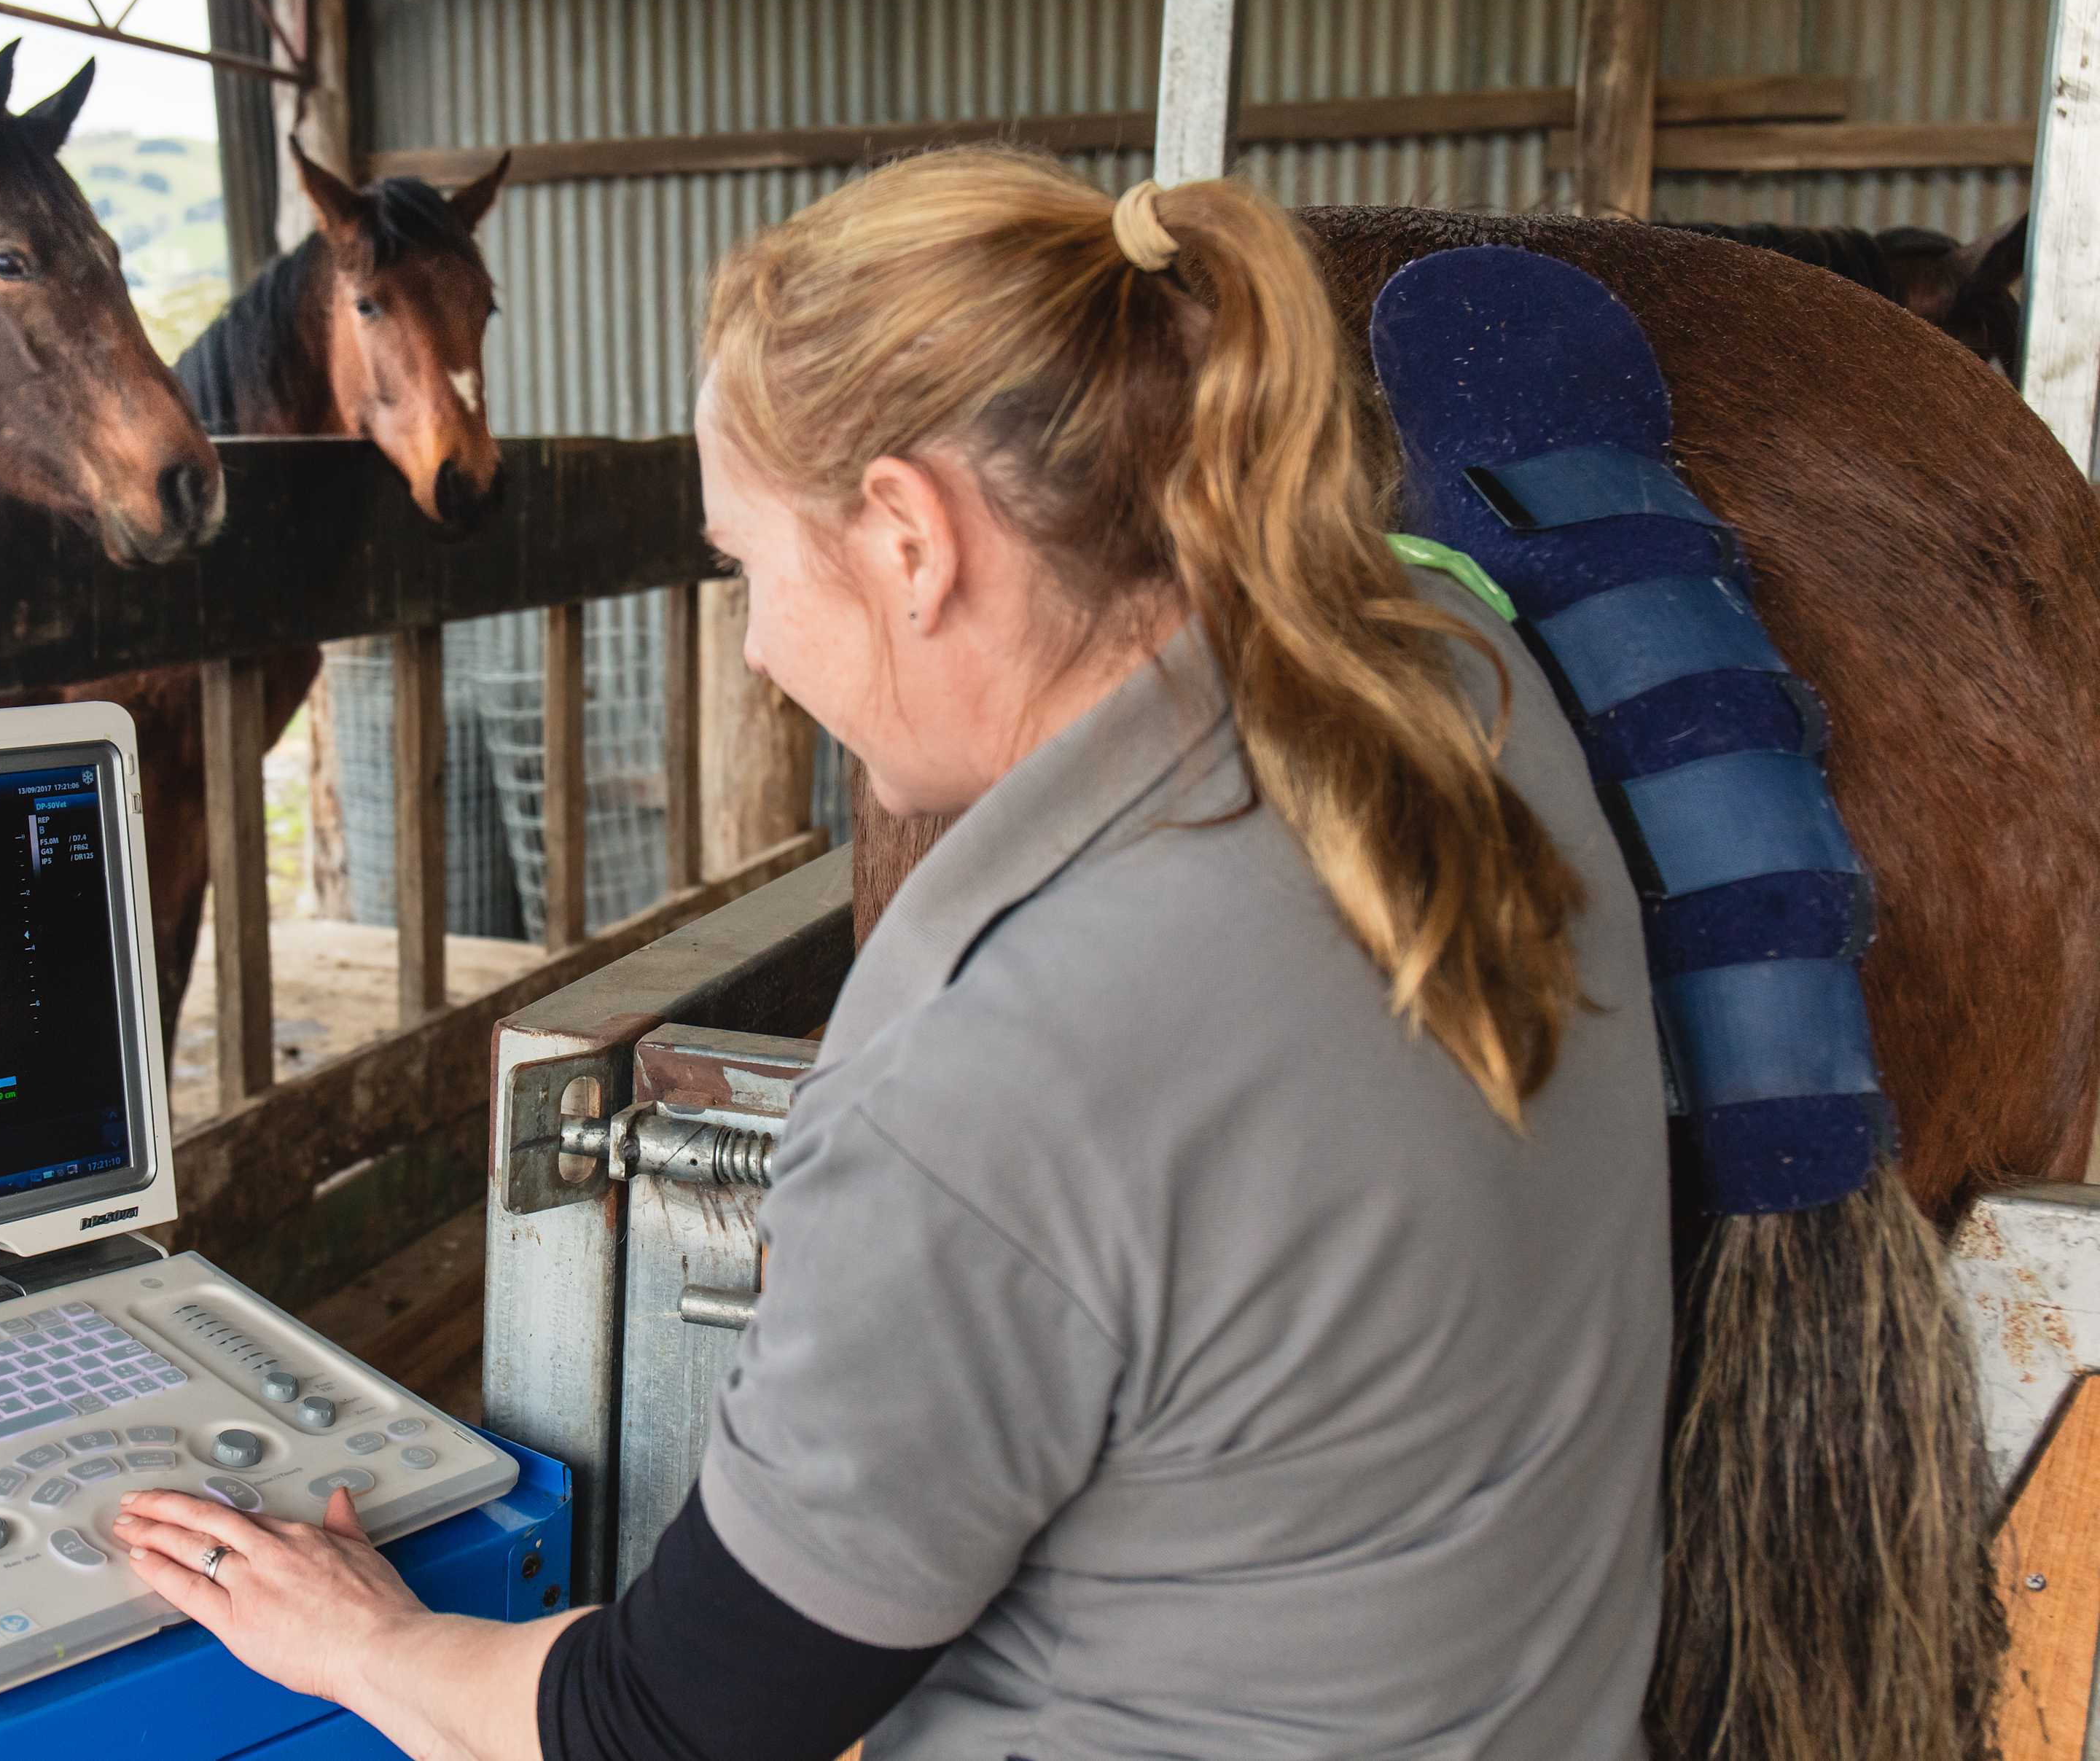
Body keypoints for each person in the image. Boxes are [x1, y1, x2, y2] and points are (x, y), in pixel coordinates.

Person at [110, 150, 1671, 1760]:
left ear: (909, 540)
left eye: (742, 566)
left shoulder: (989, 1066)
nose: (759, 643)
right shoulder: (1453, 678)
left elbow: (656, 1728)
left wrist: (372, 1639)